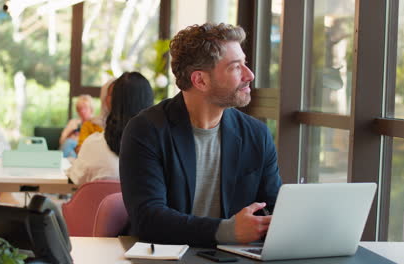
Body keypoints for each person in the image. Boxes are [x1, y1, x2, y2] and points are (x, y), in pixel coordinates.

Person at [119, 23, 282, 247]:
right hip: (166, 257)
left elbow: (272, 208)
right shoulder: (146, 131)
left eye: (245, 64)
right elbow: (148, 218)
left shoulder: (257, 134)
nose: (250, 75)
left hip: (235, 258)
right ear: (200, 80)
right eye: (236, 67)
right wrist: (226, 231)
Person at [67, 72, 153, 185]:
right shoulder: (163, 149)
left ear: (110, 102)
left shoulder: (93, 144)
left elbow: (75, 180)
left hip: (95, 201)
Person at [75, 79, 116, 153]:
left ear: (91, 109)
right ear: (104, 98)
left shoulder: (129, 125)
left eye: (85, 108)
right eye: (80, 109)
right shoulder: (89, 124)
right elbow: (79, 149)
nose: (82, 111)